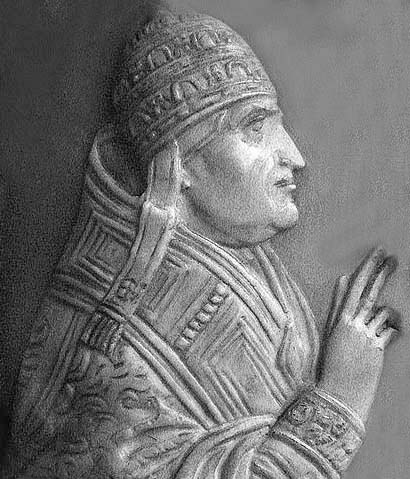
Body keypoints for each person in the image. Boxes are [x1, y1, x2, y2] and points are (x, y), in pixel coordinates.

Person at [6, 9, 399, 479]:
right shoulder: (111, 341)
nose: (295, 156)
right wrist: (341, 396)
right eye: (255, 128)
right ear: (178, 165)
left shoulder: (252, 263)